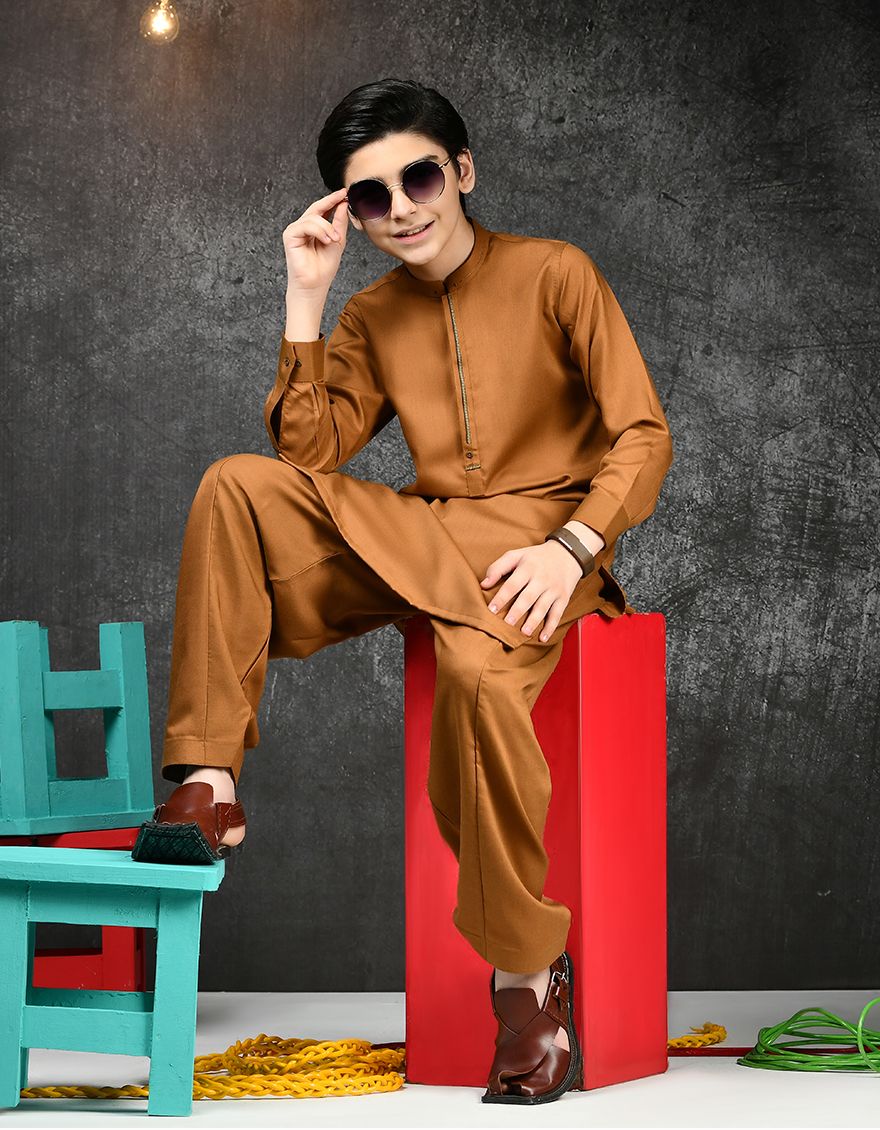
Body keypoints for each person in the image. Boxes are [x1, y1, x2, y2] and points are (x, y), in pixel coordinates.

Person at [131, 78, 674, 1104]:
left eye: (418, 178)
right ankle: (211, 781)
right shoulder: (376, 311)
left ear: (461, 171)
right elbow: (308, 453)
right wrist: (306, 295)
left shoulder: (556, 272)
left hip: (536, 552)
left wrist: (572, 546)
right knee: (236, 485)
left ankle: (524, 978)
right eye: (371, 196)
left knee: (476, 683)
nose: (401, 210)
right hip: (424, 536)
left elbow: (643, 435)